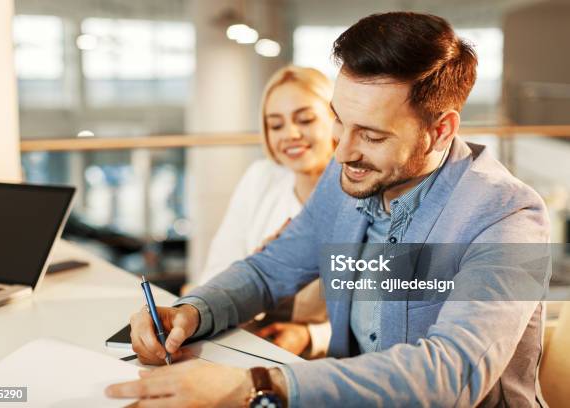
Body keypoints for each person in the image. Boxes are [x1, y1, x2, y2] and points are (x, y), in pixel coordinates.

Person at [107, 12, 550, 407]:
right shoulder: (349, 182)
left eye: (372, 136)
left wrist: (256, 386)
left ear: (440, 130)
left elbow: (451, 375)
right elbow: (269, 270)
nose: (342, 152)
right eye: (339, 119)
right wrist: (193, 311)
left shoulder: (508, 216)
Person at [192, 65, 335, 357]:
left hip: (326, 360)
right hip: (245, 340)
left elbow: (380, 315)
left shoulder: (364, 193)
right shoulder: (261, 177)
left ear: (336, 120)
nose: (291, 134)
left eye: (305, 119)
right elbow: (216, 273)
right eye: (276, 125)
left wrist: (311, 336)